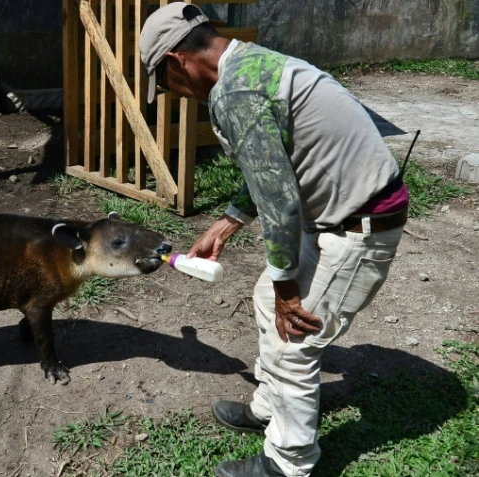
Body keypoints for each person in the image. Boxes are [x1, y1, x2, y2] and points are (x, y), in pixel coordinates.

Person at [139, 3, 410, 477]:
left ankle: (288, 464)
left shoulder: (235, 90)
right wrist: (226, 225)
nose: (170, 93)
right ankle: (270, 405)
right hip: (333, 216)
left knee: (295, 341)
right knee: (268, 297)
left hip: (359, 225)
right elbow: (275, 164)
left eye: (163, 82)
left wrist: (291, 292)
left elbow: (280, 202)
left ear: (178, 60)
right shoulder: (249, 61)